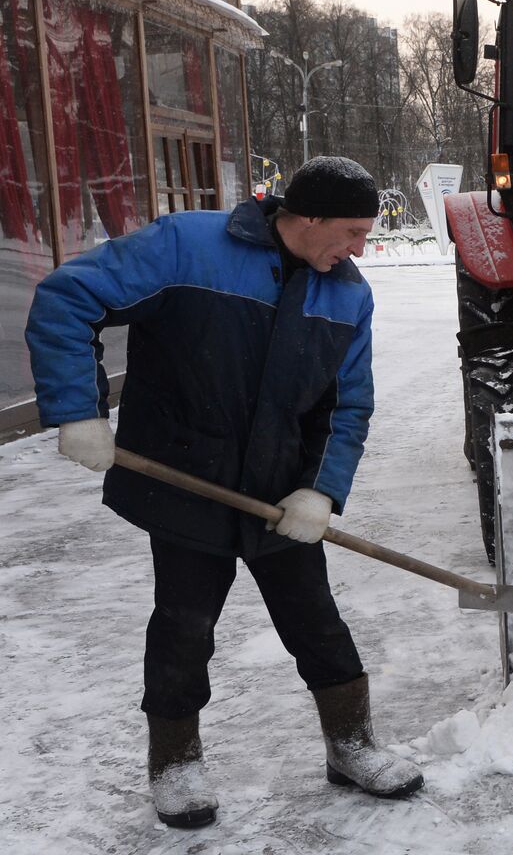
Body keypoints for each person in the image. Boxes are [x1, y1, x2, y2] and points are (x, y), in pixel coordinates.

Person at [25, 156, 423, 828]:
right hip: (183, 478)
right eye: (352, 231)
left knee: (317, 624)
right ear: (310, 217)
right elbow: (67, 297)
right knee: (184, 628)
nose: (360, 249)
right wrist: (77, 410)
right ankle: (175, 763)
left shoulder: (348, 294)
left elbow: (347, 406)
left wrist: (320, 493)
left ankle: (352, 745)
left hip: (278, 491)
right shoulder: (188, 246)